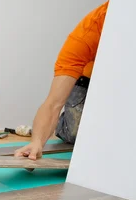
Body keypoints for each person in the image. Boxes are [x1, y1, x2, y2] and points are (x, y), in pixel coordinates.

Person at [15, 2, 108, 160]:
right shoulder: (92, 29)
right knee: (78, 134)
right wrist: (37, 142)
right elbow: (53, 103)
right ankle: (63, 125)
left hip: (128, 83)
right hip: (88, 84)